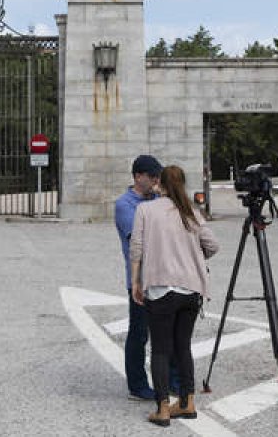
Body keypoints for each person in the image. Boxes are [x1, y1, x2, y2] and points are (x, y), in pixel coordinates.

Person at [130, 164, 219, 427]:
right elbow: (213, 245)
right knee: (183, 346)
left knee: (160, 349)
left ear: (160, 184)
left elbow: (137, 249)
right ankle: (187, 402)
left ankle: (162, 408)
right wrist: (194, 258)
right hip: (191, 289)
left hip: (161, 288)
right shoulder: (191, 212)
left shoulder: (145, 210)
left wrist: (136, 280)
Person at [114, 154, 165, 402]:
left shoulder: (159, 199)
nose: (156, 181)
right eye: (152, 176)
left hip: (164, 276)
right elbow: (139, 239)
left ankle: (172, 380)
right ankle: (137, 385)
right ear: (137, 176)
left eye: (158, 177)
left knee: (167, 332)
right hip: (140, 279)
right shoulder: (125, 204)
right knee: (139, 333)